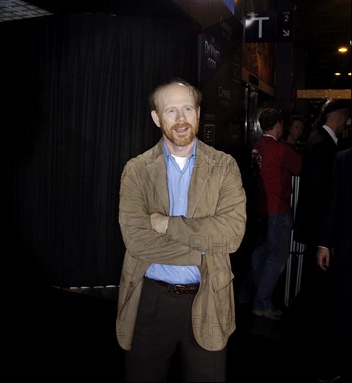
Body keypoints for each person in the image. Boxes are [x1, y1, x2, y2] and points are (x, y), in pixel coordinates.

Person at [115, 78, 247, 382]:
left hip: (209, 297)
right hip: (150, 302)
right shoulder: (136, 170)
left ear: (198, 112)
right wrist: (205, 245)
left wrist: (165, 224)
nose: (181, 118)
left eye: (187, 108)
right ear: (156, 117)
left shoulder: (225, 167)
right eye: (171, 110)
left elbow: (232, 235)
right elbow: (136, 242)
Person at [293, 98, 350, 383]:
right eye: (345, 118)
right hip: (320, 230)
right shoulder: (321, 145)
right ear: (338, 117)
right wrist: (323, 238)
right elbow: (320, 193)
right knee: (317, 288)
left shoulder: (322, 143)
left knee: (318, 287)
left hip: (322, 232)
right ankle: (310, 338)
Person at [237, 108, 302, 320]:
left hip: (258, 208)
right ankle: (262, 303)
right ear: (277, 125)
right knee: (277, 257)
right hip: (277, 210)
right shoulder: (280, 149)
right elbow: (299, 167)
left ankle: (245, 294)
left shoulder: (256, 146)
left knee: (259, 253)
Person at [316, 147, 352, 383]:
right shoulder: (344, 158)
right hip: (347, 249)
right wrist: (324, 243)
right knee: (343, 311)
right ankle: (341, 366)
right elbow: (334, 200)